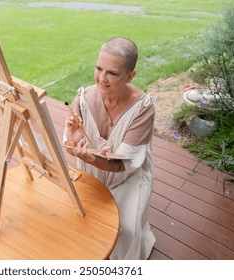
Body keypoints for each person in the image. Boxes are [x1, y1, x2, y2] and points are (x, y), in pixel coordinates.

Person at [63, 37, 156, 260]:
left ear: (130, 76)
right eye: (98, 68)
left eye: (112, 73)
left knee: (126, 230)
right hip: (92, 175)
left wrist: (93, 159)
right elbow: (70, 146)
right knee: (84, 221)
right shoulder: (82, 99)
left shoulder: (143, 107)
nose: (102, 79)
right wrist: (74, 143)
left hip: (129, 177)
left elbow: (123, 164)